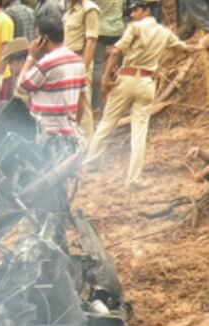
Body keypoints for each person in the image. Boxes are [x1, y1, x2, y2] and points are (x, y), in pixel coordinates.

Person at [84, 0, 209, 189]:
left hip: (126, 79)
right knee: (139, 133)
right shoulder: (164, 32)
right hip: (146, 83)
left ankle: (90, 163)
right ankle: (133, 179)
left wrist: (106, 79)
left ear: (145, 11)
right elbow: (185, 48)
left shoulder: (134, 28)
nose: (132, 15)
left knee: (107, 123)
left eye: (135, 11)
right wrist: (202, 45)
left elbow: (116, 51)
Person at [16, 17, 87, 153]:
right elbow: (82, 99)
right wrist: (75, 124)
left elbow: (21, 87)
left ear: (44, 39)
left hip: (48, 134)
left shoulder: (47, 63)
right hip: (69, 133)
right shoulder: (78, 61)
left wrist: (30, 57)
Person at [64, 0, 100, 139]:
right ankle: (75, 144)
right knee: (70, 104)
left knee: (82, 106)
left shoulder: (90, 9)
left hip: (79, 60)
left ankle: (87, 147)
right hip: (67, 60)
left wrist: (83, 69)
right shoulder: (70, 10)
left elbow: (91, 43)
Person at [92, 0, 125, 108]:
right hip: (118, 30)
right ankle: (121, 100)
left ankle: (96, 103)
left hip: (101, 30)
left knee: (97, 64)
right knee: (122, 65)